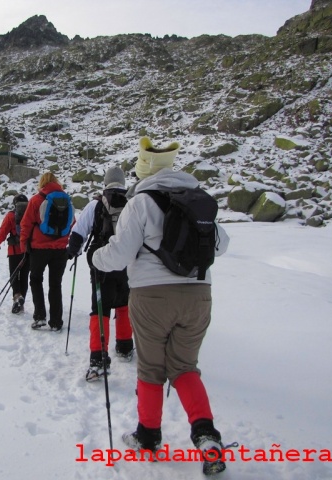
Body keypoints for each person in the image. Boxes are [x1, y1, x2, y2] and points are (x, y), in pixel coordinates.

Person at [92, 137, 231, 474]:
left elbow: (120, 253)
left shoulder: (140, 203)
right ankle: (207, 436)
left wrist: (97, 257)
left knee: (152, 369)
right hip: (198, 295)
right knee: (184, 367)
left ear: (144, 170)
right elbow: (221, 245)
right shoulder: (198, 200)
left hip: (152, 297)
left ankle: (149, 436)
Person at [66, 166, 134, 382]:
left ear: (106, 182)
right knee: (124, 304)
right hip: (126, 263)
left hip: (100, 263)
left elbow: (79, 232)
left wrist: (73, 252)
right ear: (123, 182)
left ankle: (98, 358)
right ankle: (124, 346)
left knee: (100, 308)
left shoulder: (95, 204)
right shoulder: (133, 202)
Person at [19, 172, 72, 331]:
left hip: (39, 249)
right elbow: (72, 222)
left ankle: (40, 316)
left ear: (42, 183)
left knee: (36, 280)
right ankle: (56, 321)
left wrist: (24, 246)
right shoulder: (66, 200)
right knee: (55, 284)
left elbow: (26, 224)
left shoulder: (36, 200)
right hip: (60, 249)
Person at [0, 194, 30, 314]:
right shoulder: (31, 215)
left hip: (14, 252)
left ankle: (17, 296)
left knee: (14, 276)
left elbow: (2, 234)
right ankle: (21, 303)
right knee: (24, 277)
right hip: (28, 251)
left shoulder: (10, 216)